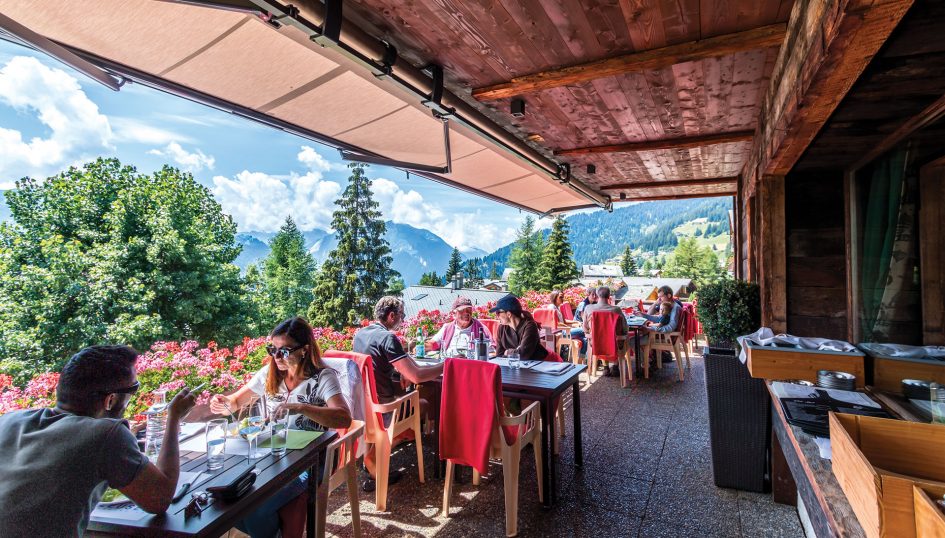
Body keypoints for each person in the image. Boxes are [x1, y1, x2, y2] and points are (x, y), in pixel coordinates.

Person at [0, 345, 197, 538]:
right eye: (134, 389)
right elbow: (159, 499)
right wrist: (174, 418)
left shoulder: (9, 420)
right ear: (110, 400)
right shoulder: (104, 434)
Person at [210, 317, 351, 538]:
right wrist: (224, 403)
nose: (276, 357)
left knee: (255, 509)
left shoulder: (323, 377)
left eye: (284, 351)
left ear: (304, 350)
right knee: (228, 503)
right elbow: (236, 402)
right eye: (273, 349)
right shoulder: (270, 374)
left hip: (310, 462)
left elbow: (344, 418)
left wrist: (301, 407)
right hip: (271, 456)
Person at [353, 296, 444, 490]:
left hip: (363, 408)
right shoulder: (388, 338)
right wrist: (446, 366)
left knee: (409, 401)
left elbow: (375, 365)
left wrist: (399, 371)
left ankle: (374, 456)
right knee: (425, 404)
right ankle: (375, 455)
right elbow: (418, 376)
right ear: (392, 315)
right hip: (384, 410)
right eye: (401, 316)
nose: (402, 320)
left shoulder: (361, 334)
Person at [423, 296, 493, 357]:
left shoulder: (481, 329)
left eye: (469, 309)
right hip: (450, 364)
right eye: (462, 310)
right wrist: (419, 346)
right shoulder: (447, 328)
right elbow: (434, 344)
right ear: (454, 313)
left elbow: (492, 352)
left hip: (471, 366)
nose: (466, 313)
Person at [582, 286, 629, 376]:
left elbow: (585, 328)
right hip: (615, 343)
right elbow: (625, 328)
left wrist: (589, 334)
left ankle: (605, 367)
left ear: (596, 295)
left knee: (602, 336)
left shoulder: (588, 308)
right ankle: (615, 366)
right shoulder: (616, 310)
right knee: (615, 337)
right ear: (609, 296)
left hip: (596, 343)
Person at [491, 294, 549, 361]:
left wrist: (507, 352)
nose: (497, 316)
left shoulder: (530, 326)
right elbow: (499, 355)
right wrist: (515, 352)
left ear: (509, 314)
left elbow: (523, 355)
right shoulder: (501, 328)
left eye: (498, 313)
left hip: (534, 368)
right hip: (512, 367)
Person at [570, 288, 598, 358]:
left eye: (596, 294)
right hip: (578, 326)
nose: (594, 296)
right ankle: (592, 358)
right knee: (593, 333)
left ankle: (586, 359)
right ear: (588, 295)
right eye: (593, 294)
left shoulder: (594, 304)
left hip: (586, 327)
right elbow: (584, 320)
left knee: (587, 339)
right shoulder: (583, 304)